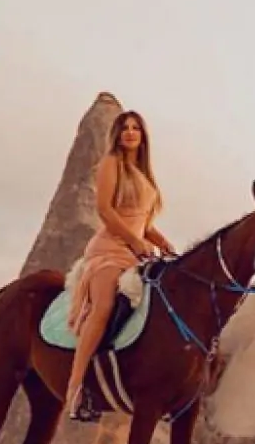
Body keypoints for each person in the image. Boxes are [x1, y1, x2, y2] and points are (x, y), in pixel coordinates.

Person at [64, 110, 175, 421]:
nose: (129, 132)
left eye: (135, 128)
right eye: (124, 128)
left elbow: (143, 222)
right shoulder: (111, 163)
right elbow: (106, 211)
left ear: (143, 135)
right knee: (103, 306)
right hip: (110, 247)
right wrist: (135, 241)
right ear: (117, 133)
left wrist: (160, 240)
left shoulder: (144, 174)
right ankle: (77, 390)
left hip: (137, 250)